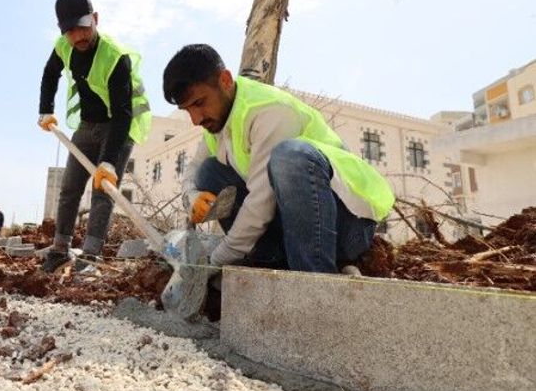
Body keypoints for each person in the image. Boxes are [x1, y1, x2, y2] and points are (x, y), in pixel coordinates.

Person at [162, 44, 394, 273]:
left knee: (288, 157)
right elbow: (192, 171)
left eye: (199, 103)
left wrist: (215, 261)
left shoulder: (270, 110)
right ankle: (269, 260)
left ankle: (316, 278)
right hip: (293, 232)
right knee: (208, 172)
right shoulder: (218, 123)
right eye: (187, 110)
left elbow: (260, 202)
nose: (195, 119)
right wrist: (193, 198)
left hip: (346, 227)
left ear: (224, 80)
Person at [38, 0, 152, 273]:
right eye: (70, 31)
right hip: (88, 125)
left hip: (119, 126)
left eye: (83, 27)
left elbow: (124, 112)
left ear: (96, 19)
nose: (78, 36)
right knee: (69, 189)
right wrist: (45, 109)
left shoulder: (115, 57)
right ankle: (60, 249)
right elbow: (50, 74)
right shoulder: (63, 46)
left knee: (103, 189)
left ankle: (90, 256)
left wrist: (108, 161)